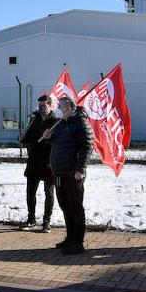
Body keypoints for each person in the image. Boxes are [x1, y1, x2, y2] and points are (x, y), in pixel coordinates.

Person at [47, 96, 93, 255]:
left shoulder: (80, 123)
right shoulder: (61, 124)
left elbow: (87, 147)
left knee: (76, 208)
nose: (57, 109)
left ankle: (77, 242)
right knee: (65, 207)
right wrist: (49, 137)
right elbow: (57, 143)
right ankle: (70, 237)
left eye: (59, 106)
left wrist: (80, 169)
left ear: (68, 108)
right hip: (59, 173)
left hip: (73, 174)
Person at [18, 95, 59, 232]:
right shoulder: (33, 120)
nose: (42, 108)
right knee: (30, 192)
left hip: (49, 163)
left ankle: (46, 221)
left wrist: (49, 138)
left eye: (44, 106)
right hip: (34, 162)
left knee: (49, 192)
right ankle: (31, 219)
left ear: (50, 105)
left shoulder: (56, 122)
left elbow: (57, 142)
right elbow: (28, 138)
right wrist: (22, 138)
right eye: (40, 106)